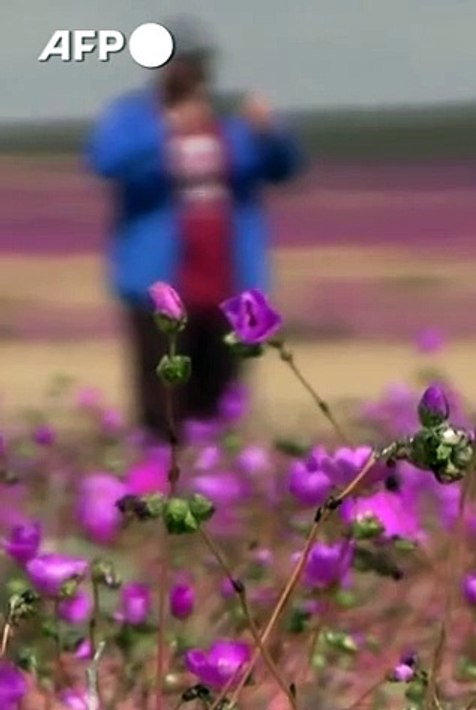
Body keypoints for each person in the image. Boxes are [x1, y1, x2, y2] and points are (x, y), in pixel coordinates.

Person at [86, 17, 303, 442]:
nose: (185, 71)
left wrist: (271, 133)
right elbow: (105, 160)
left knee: (221, 404)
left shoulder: (231, 124)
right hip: (158, 286)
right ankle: (161, 485)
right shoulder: (133, 118)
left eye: (192, 62)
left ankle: (215, 488)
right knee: (163, 405)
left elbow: (284, 168)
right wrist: (164, 128)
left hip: (230, 283)